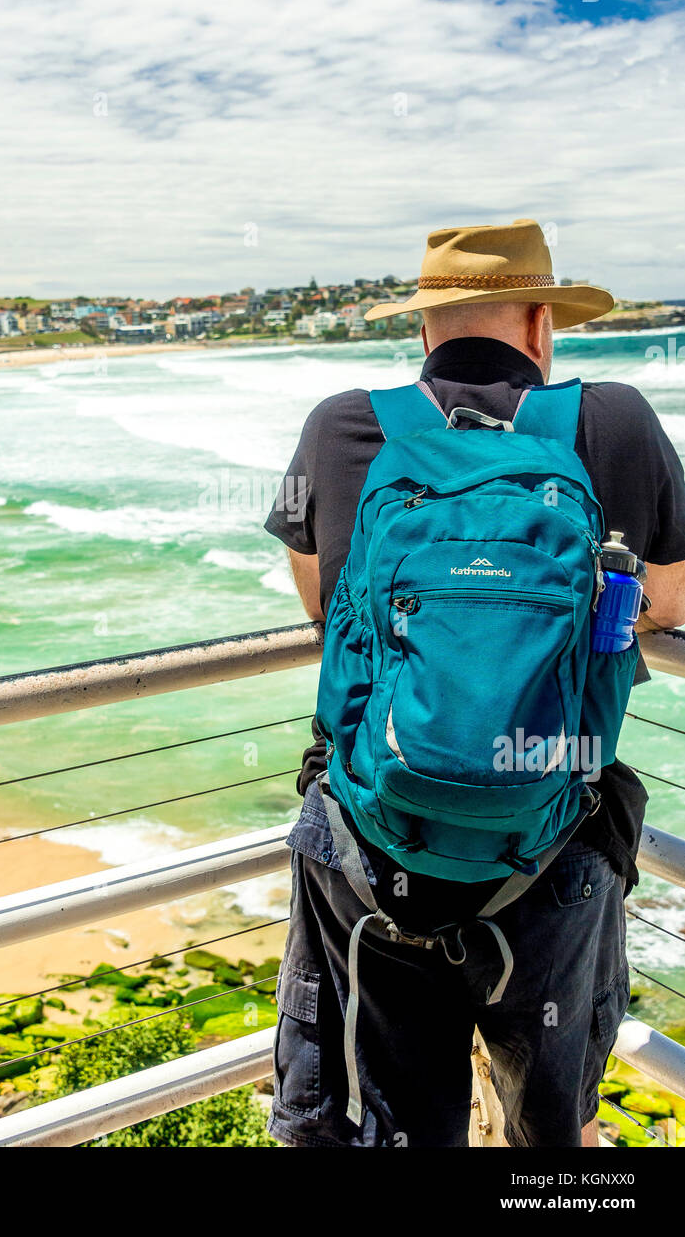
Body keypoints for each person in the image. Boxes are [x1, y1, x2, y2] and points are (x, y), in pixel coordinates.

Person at [264, 218, 685, 1148]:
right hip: (554, 836)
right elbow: (664, 598)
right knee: (549, 1128)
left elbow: (324, 606)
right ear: (541, 324)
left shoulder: (341, 422)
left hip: (371, 844)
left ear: (423, 327)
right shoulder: (614, 420)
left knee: (393, 1120)